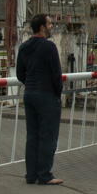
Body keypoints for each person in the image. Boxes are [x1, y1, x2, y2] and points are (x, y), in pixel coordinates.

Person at [16, 13, 64, 184]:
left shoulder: (24, 47)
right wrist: (57, 93)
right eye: (50, 24)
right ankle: (44, 174)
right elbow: (56, 75)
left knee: (32, 135)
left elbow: (20, 74)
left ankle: (31, 175)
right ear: (42, 27)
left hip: (30, 93)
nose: (52, 27)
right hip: (47, 95)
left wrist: (30, 83)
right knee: (48, 136)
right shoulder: (49, 47)